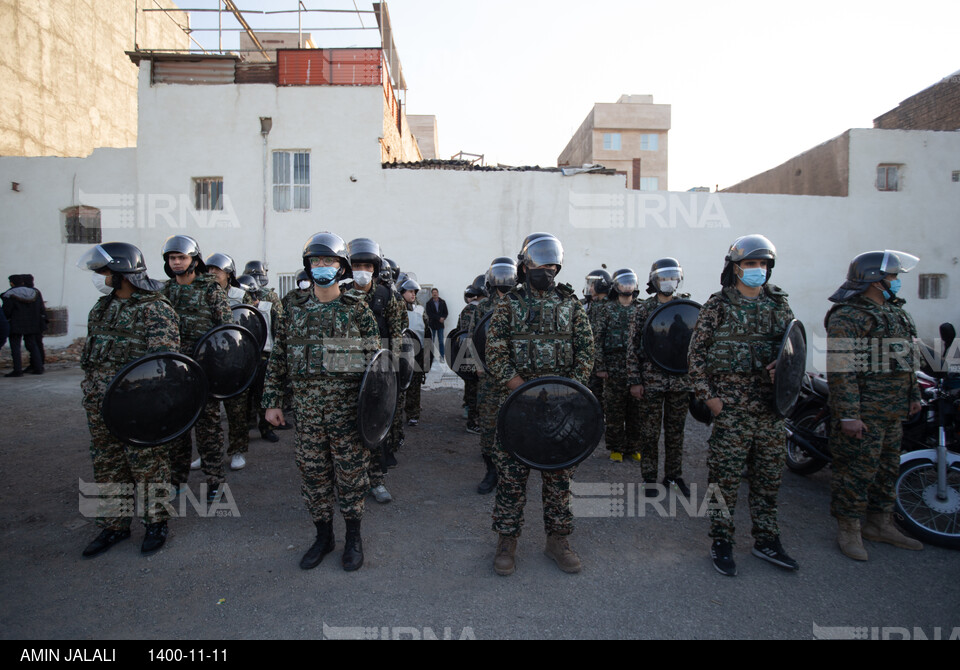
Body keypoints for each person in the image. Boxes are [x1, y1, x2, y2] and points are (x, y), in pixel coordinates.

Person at [262, 233, 381, 572]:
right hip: (308, 417)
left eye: (329, 261)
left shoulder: (358, 310)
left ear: (341, 267)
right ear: (308, 266)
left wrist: (374, 415)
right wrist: (272, 401)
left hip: (347, 417)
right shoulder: (293, 309)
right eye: (316, 261)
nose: (322, 267)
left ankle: (353, 539)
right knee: (313, 478)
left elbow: (376, 367)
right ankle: (323, 536)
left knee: (351, 479)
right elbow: (279, 358)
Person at [687, 234, 799, 577]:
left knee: (768, 480)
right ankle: (722, 540)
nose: (758, 270)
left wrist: (785, 366)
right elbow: (695, 357)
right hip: (731, 410)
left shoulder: (779, 306)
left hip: (770, 411)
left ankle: (767, 539)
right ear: (735, 267)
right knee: (725, 481)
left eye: (764, 264)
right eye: (752, 264)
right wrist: (711, 399)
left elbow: (794, 349)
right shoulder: (718, 306)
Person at [486, 233, 595, 575]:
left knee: (559, 479)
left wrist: (570, 391)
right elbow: (495, 351)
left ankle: (558, 540)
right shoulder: (508, 305)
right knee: (511, 479)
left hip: (561, 410)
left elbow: (586, 350)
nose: (546, 270)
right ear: (525, 266)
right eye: (539, 263)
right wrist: (521, 390)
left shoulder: (570, 304)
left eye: (552, 264)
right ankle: (507, 541)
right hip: (517, 408)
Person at [76, 243, 180, 557]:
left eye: (104, 271)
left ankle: (155, 523)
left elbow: (164, 364)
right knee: (107, 466)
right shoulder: (102, 308)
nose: (99, 277)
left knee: (147, 466)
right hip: (100, 405)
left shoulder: (154, 308)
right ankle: (114, 525)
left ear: (122, 273)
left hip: (138, 407)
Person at [825, 250, 924, 560]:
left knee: (886, 469)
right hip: (864, 413)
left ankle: (880, 523)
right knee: (855, 471)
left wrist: (913, 396)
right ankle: (849, 529)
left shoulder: (895, 312)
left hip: (892, 411)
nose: (896, 282)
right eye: (892, 277)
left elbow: (908, 359)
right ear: (874, 280)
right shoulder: (848, 316)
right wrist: (849, 415)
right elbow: (842, 370)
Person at [161, 235, 233, 502]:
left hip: (204, 372)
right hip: (174, 373)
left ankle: (215, 479)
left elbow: (226, 330)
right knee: (176, 430)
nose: (177, 262)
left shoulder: (210, 289)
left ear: (194, 260)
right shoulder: (165, 291)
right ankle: (176, 479)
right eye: (172, 258)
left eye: (182, 258)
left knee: (208, 429)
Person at [347, 238, 407, 503]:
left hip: (380, 371)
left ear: (374, 267)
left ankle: (377, 481)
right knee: (348, 432)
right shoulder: (342, 295)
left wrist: (390, 373)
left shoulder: (387, 297)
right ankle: (352, 483)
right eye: (356, 265)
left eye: (366, 265)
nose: (362, 270)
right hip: (348, 371)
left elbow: (397, 336)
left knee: (376, 428)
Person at [628, 258, 694, 496]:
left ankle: (673, 476)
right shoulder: (642, 309)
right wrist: (635, 381)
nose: (669, 282)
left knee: (676, 431)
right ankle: (649, 479)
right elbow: (633, 348)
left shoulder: (686, 307)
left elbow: (694, 345)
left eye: (673, 277)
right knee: (650, 432)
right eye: (664, 278)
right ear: (655, 281)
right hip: (651, 380)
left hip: (680, 380)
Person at [197, 253, 255, 472]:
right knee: (206, 413)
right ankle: (207, 453)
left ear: (228, 274)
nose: (212, 274)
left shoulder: (241, 296)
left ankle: (238, 449)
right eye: (209, 270)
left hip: (235, 360)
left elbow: (251, 325)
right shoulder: (201, 294)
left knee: (236, 409)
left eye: (216, 270)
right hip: (208, 359)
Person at [474, 257, 518, 495]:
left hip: (514, 375)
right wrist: (478, 365)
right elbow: (472, 339)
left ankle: (511, 473)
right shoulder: (482, 307)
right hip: (490, 377)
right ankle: (491, 471)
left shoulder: (520, 304)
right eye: (499, 275)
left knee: (514, 423)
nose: (503, 280)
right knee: (489, 426)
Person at [594, 269, 643, 463]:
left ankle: (633, 447)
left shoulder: (641, 308)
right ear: (616, 286)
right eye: (623, 283)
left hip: (636, 369)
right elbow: (597, 339)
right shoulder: (607, 309)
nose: (627, 287)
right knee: (614, 410)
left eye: (630, 283)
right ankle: (616, 447)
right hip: (613, 368)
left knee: (635, 411)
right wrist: (600, 366)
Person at [242, 260, 285, 443]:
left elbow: (278, 323)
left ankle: (266, 428)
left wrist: (278, 348)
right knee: (244, 397)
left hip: (265, 351)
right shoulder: (240, 293)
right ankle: (244, 429)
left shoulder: (270, 297)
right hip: (243, 354)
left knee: (263, 392)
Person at [457, 276, 487, 434]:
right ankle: (472, 420)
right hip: (473, 352)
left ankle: (473, 414)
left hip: (476, 353)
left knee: (475, 387)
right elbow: (467, 334)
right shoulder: (473, 309)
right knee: (473, 387)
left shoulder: (474, 308)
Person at [2, 275, 45, 377]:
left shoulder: (9, 294)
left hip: (15, 324)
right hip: (31, 323)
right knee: (33, 345)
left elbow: (6, 311)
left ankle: (17, 370)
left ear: (12, 283)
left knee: (16, 347)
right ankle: (38, 368)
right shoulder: (34, 293)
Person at [399, 276, 427, 426]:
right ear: (402, 292)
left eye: (414, 291)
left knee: (415, 384)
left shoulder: (421, 309)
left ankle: (413, 413)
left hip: (418, 352)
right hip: (401, 353)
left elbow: (426, 330)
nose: (413, 294)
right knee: (399, 384)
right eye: (410, 291)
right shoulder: (396, 308)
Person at [583, 269, 612, 411]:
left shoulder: (605, 307)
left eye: (592, 284)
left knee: (601, 401)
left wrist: (600, 366)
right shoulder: (593, 305)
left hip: (604, 365)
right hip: (594, 362)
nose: (589, 288)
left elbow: (597, 338)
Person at [425, 288, 449, 359]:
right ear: (432, 294)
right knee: (431, 341)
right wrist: (439, 318)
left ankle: (442, 356)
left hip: (440, 325)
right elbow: (429, 314)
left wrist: (443, 318)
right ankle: (430, 357)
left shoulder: (443, 302)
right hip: (432, 325)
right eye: (433, 293)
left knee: (441, 341)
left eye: (436, 292)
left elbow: (446, 312)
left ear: (438, 294)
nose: (435, 294)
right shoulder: (428, 303)